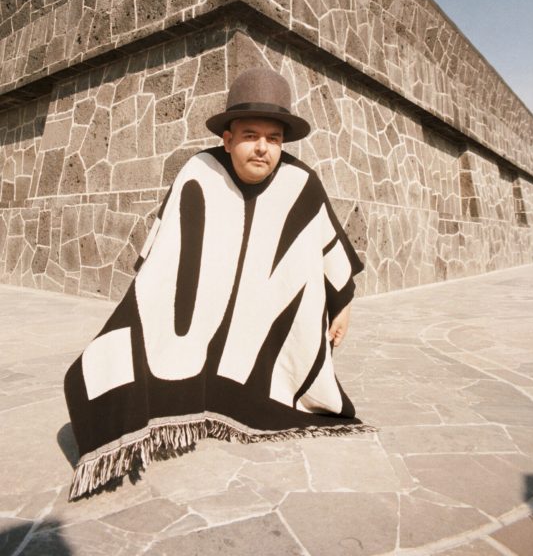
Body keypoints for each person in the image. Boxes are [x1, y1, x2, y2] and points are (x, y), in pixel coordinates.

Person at [64, 67, 373, 500]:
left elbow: (328, 249)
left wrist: (342, 304)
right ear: (228, 139)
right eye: (250, 135)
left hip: (261, 328)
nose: (263, 148)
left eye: (274, 138)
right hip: (200, 322)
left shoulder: (301, 183)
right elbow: (163, 260)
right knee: (120, 360)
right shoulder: (199, 173)